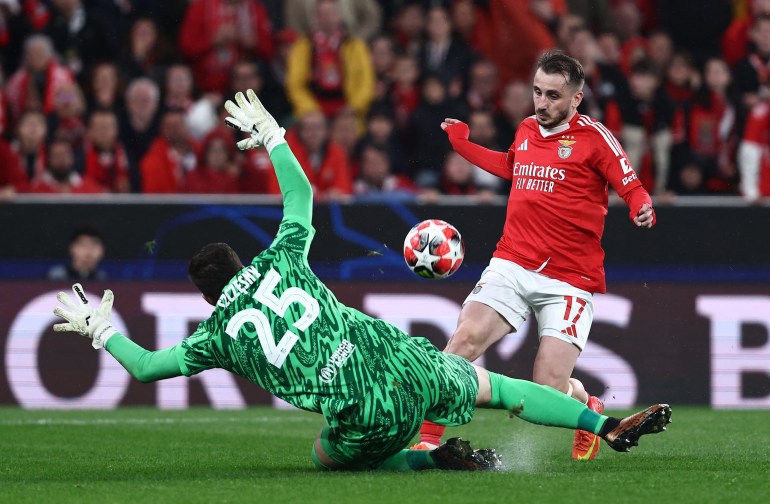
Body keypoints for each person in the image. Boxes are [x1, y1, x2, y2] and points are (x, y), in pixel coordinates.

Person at [52, 89, 671, 472]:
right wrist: (273, 137)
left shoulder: (217, 334)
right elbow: (301, 196)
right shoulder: (280, 260)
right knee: (504, 388)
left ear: (208, 295)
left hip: (361, 405)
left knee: (325, 455)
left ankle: (422, 462)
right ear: (241, 264)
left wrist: (103, 331)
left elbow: (150, 367)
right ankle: (601, 425)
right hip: (401, 358)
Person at [411, 50, 657, 462]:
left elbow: (630, 185)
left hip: (570, 279)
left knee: (547, 389)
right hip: (512, 262)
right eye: (537, 93)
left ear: (576, 100)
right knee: (463, 340)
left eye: (554, 96)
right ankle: (428, 439)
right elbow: (511, 165)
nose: (542, 104)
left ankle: (585, 403)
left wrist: (640, 206)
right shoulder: (526, 128)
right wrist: (463, 145)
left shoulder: (595, 138)